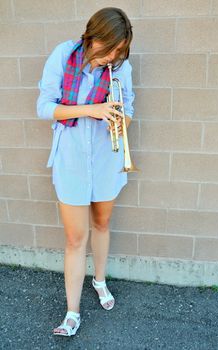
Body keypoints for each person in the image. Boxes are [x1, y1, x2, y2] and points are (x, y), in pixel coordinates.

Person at [36, 7, 135, 336]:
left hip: (107, 157)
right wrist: (92, 109)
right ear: (93, 36)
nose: (113, 56)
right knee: (75, 239)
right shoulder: (64, 56)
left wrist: (121, 117)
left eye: (120, 51)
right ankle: (72, 312)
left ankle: (100, 279)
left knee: (102, 223)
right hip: (72, 159)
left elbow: (129, 108)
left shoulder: (121, 67)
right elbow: (45, 107)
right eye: (110, 48)